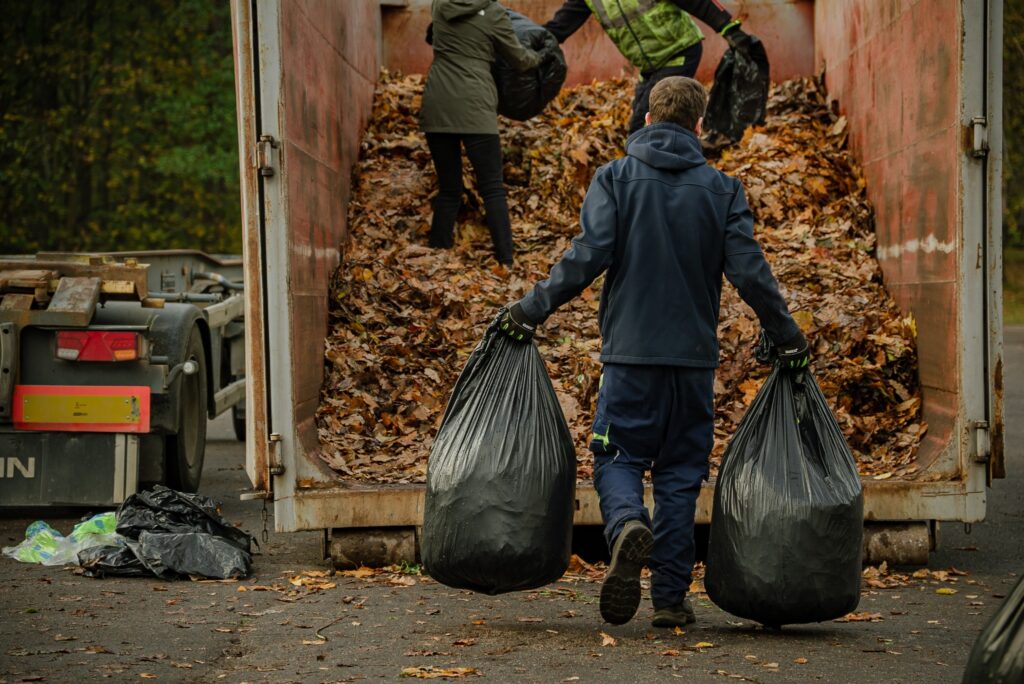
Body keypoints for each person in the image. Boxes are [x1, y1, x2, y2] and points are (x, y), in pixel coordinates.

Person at [498, 77, 808, 628]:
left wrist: (531, 309)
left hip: (630, 361)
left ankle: (624, 526)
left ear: (645, 119)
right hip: (693, 364)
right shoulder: (723, 189)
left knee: (616, 456)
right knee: (681, 472)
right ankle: (669, 599)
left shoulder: (614, 179)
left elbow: (587, 256)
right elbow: (751, 273)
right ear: (697, 126)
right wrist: (786, 334)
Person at [419, 0, 550, 266]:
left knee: (449, 188)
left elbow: (432, 35)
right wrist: (543, 56)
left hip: (438, 105)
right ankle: (506, 259)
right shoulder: (494, 13)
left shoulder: (439, 5)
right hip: (476, 107)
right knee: (492, 188)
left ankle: (436, 255)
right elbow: (520, 59)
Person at [542, 0, 756, 134]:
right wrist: (531, 41)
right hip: (651, 64)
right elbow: (560, 26)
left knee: (646, 126)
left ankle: (660, 182)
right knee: (645, 121)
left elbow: (697, 2)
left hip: (679, 50)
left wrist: (727, 27)